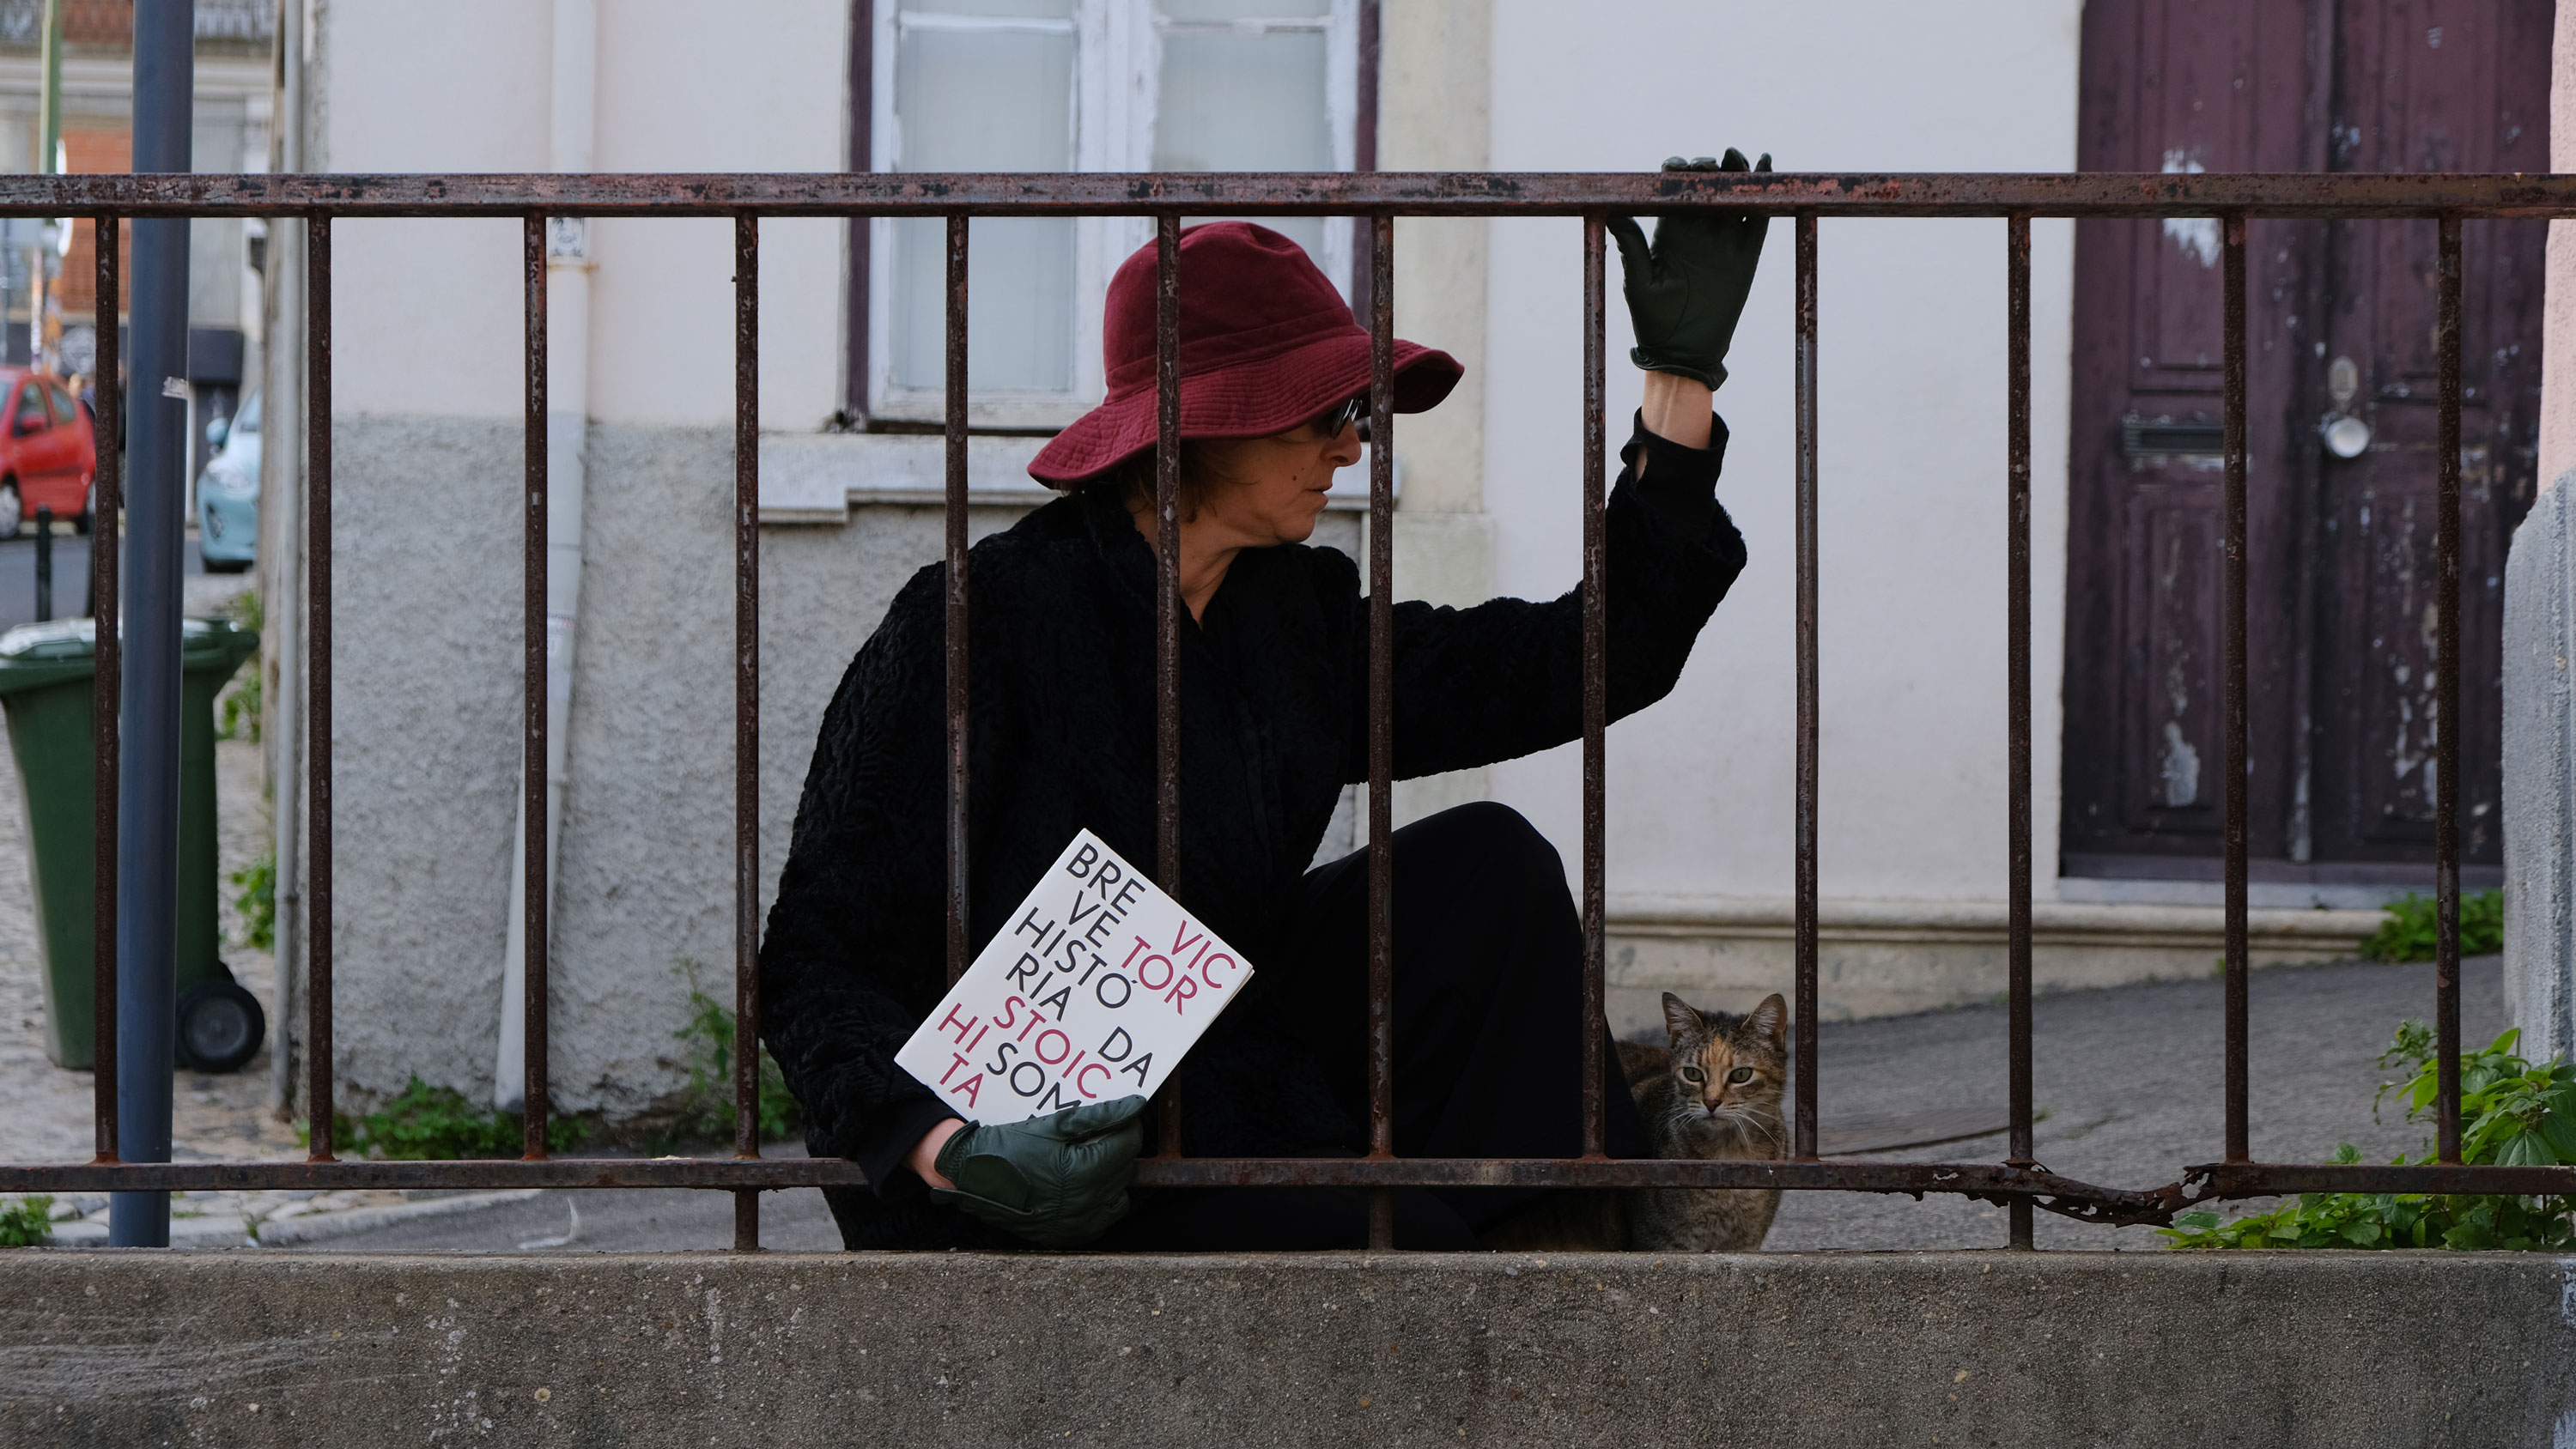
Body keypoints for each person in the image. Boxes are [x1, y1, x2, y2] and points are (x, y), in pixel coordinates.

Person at [761, 151, 1773, 1250]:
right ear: (1202, 426)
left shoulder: (1294, 617)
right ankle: (1458, 1260)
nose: (1353, 442)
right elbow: (815, 953)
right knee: (1412, 1249)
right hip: (1027, 1156)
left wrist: (1678, 394)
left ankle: (1574, 1261)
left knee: (1490, 864)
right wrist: (949, 1147)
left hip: (1221, 1080)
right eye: (1322, 412)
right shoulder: (978, 621)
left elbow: (1565, 662)